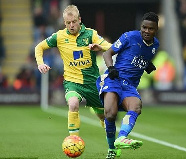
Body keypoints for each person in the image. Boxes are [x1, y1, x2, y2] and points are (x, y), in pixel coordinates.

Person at [35, 5, 112, 136]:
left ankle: (104, 123)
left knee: (103, 115)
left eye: (74, 22)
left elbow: (110, 47)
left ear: (79, 20)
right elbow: (39, 47)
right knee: (73, 104)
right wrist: (40, 63)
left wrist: (100, 47)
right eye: (68, 23)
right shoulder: (59, 36)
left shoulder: (90, 34)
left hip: (92, 82)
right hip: (72, 81)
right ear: (64, 23)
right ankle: (73, 140)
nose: (71, 25)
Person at [96, 12, 159, 159]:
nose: (147, 31)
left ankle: (121, 137)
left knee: (136, 106)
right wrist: (111, 68)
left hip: (130, 85)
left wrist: (147, 65)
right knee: (110, 115)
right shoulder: (129, 36)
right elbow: (107, 53)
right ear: (141, 27)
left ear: (156, 30)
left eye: (151, 29)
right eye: (144, 27)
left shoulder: (155, 45)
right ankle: (112, 149)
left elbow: (139, 56)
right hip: (114, 78)